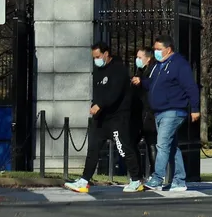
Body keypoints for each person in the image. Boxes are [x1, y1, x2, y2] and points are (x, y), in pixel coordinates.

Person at [65, 42, 144, 194]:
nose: (96, 60)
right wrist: (95, 105)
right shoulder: (98, 70)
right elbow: (99, 91)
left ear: (106, 54)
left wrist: (99, 104)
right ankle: (84, 180)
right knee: (93, 148)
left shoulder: (119, 69)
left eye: (98, 56)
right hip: (101, 118)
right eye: (94, 57)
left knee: (124, 148)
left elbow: (114, 93)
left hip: (117, 117)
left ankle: (136, 179)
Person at [144, 35, 201, 192]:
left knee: (162, 144)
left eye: (158, 49)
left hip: (173, 110)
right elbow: (152, 83)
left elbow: (191, 87)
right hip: (160, 111)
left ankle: (157, 177)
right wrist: (141, 82)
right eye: (155, 49)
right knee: (171, 146)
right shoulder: (158, 66)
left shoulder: (179, 65)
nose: (155, 52)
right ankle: (179, 180)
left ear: (168, 49)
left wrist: (195, 108)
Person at [129, 46, 157, 176]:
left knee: (151, 143)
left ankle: (154, 173)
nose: (137, 60)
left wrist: (141, 82)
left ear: (148, 58)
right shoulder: (140, 70)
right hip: (139, 111)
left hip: (148, 112)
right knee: (133, 142)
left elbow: (153, 85)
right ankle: (138, 173)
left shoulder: (152, 69)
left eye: (140, 57)